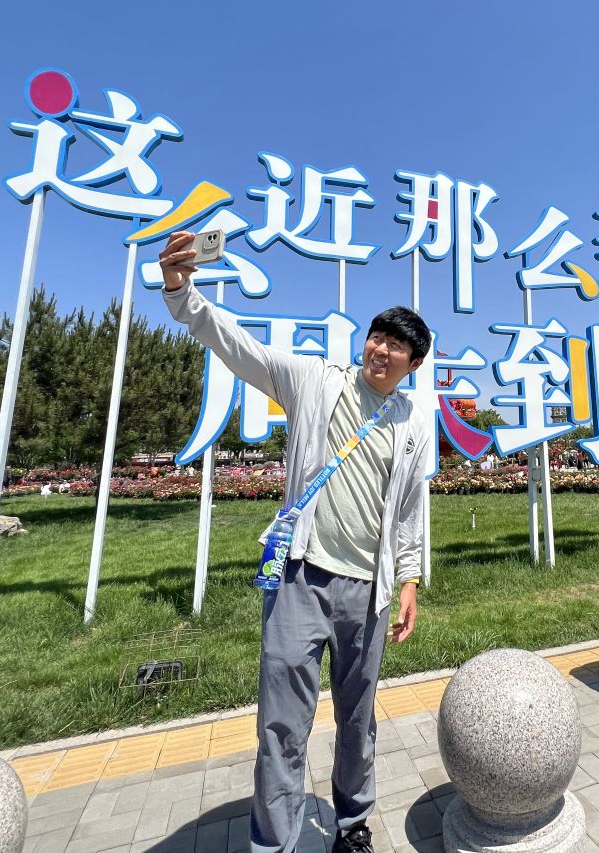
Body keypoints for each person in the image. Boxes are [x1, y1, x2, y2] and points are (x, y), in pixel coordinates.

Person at [159, 231, 432, 853]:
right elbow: (239, 348)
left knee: (357, 720)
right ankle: (273, 843)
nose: (382, 349)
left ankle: (352, 824)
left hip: (368, 592)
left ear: (414, 364)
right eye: (378, 336)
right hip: (299, 578)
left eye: (397, 346)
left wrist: (409, 578)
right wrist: (181, 292)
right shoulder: (314, 379)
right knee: (281, 724)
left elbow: (411, 508)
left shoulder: (413, 421)